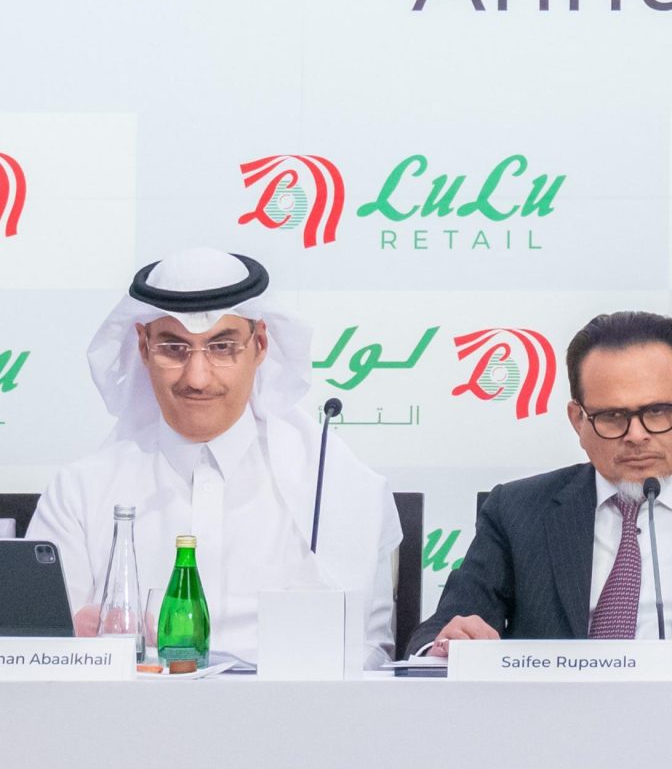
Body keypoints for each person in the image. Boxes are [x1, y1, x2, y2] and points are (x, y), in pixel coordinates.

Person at [33, 249, 399, 664]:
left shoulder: (336, 485)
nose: (197, 378)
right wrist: (73, 641)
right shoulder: (80, 491)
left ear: (260, 344)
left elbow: (370, 653)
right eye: (174, 348)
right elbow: (39, 648)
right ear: (143, 347)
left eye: (222, 347)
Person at [415, 311, 672, 659]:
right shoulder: (517, 512)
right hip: (554, 712)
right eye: (612, 416)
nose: (636, 435)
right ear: (577, 420)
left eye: (657, 412)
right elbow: (443, 629)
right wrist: (447, 644)